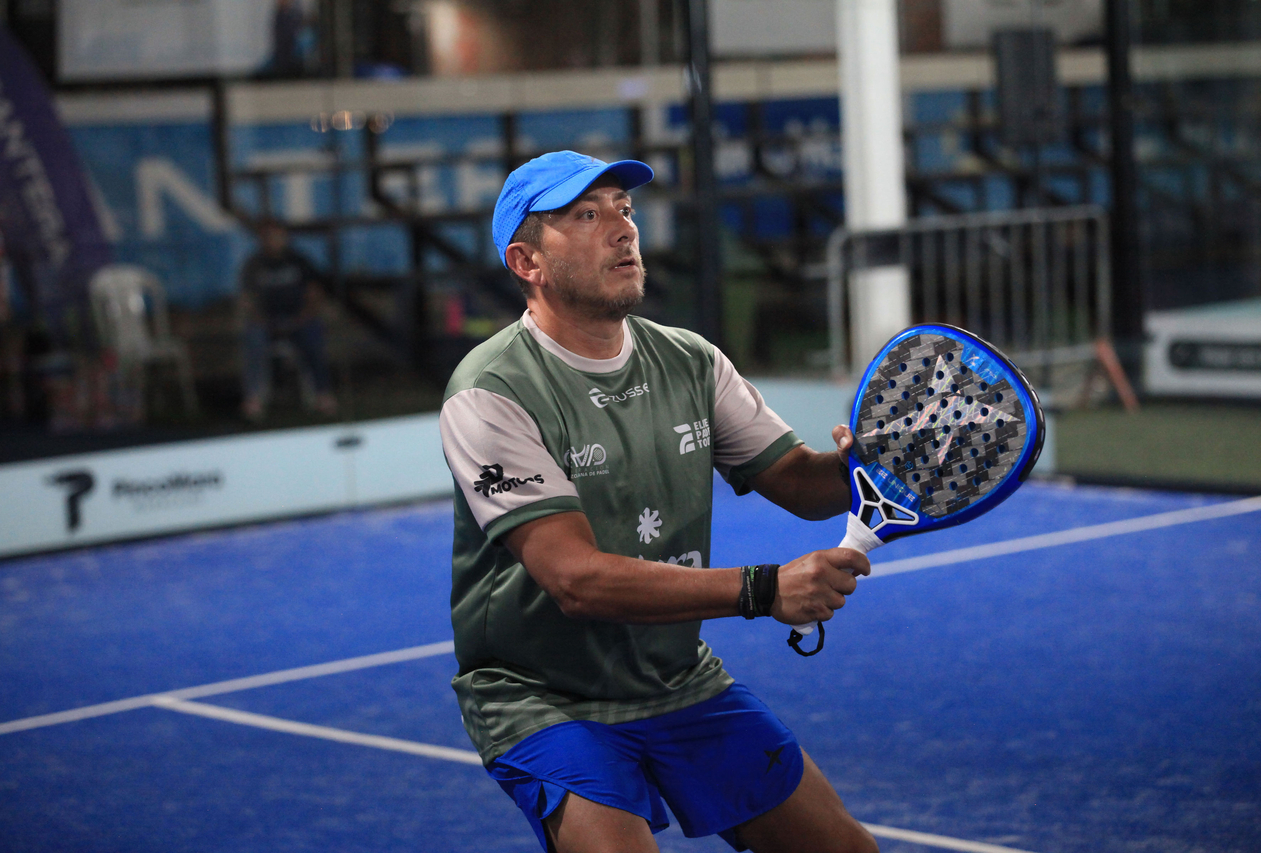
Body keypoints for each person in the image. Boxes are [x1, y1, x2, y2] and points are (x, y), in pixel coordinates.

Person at [439, 151, 879, 853]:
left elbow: (801, 483)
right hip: (542, 696)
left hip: (677, 677)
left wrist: (867, 461)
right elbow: (576, 579)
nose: (623, 229)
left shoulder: (690, 359)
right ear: (527, 262)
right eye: (587, 215)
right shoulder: (490, 391)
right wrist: (764, 589)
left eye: (624, 208)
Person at [238, 220, 336, 420]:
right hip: (266, 322)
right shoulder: (254, 264)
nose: (273, 241)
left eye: (277, 236)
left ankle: (322, 394)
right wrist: (261, 319)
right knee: (253, 338)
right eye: (268, 237)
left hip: (299, 320)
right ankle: (254, 398)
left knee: (313, 335)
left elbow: (314, 293)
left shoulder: (299, 261)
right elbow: (247, 300)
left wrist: (304, 316)